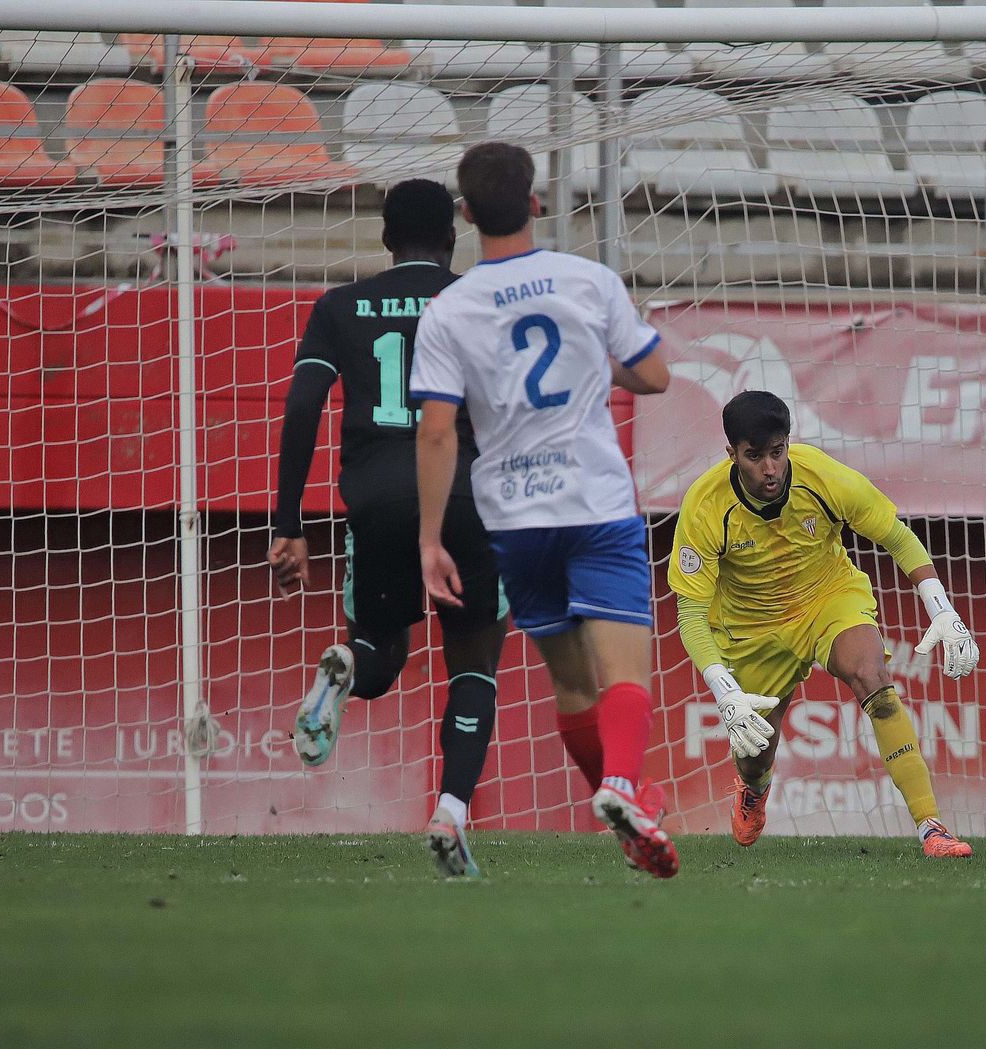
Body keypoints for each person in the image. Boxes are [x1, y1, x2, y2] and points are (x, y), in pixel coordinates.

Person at [409, 141, 678, 879]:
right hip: (594, 502)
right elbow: (655, 375)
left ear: (467, 214)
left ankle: (624, 808)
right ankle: (621, 786)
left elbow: (436, 432)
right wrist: (595, 363)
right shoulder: (588, 281)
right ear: (535, 203)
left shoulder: (449, 309)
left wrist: (430, 539)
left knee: (572, 684)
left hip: (514, 519)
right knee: (625, 674)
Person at [268, 178, 507, 879]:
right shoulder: (481, 302)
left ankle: (346, 666)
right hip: (463, 492)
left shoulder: (339, 306)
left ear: (385, 238)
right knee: (473, 662)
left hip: (375, 495)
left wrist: (289, 523)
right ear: (454, 237)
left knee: (378, 657)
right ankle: (450, 813)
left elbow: (303, 404)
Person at [668, 390, 980, 858]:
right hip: (752, 629)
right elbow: (691, 613)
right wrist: (724, 689)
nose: (770, 469)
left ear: (788, 443)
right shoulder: (705, 506)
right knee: (754, 755)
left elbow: (897, 537)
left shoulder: (823, 477)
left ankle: (931, 828)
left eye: (777, 452)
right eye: (754, 457)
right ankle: (753, 791)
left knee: (873, 678)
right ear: (731, 454)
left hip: (826, 598)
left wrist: (942, 609)